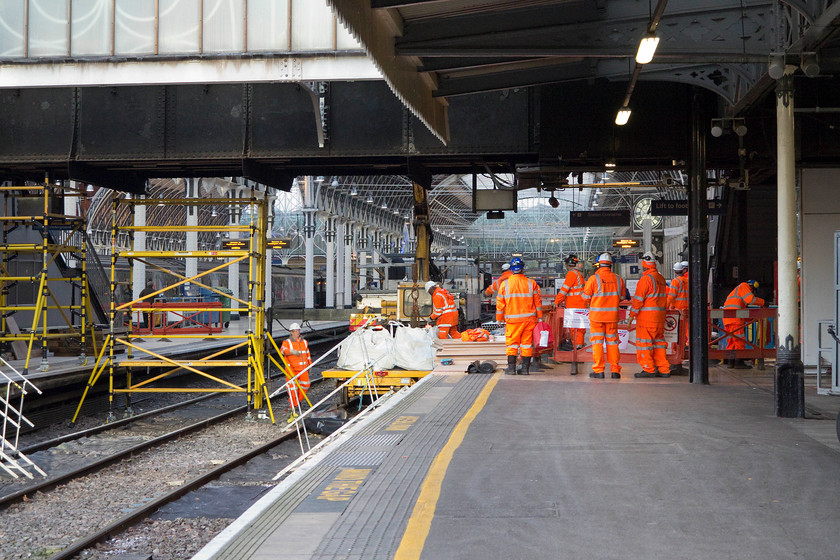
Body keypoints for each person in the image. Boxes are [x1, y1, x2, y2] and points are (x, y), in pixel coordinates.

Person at [582, 253, 626, 379]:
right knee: (612, 343)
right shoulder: (618, 279)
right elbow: (622, 297)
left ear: (598, 264)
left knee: (597, 343)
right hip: (612, 317)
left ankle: (599, 371)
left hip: (597, 317)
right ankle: (615, 371)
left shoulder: (593, 279)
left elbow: (585, 297)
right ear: (611, 264)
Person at [496, 256, 543, 375]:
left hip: (513, 321)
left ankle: (511, 369)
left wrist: (499, 319)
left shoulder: (505, 285)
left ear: (511, 270)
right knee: (526, 344)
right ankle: (525, 369)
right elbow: (538, 302)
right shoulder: (531, 283)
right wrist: (540, 317)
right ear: (523, 269)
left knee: (512, 344)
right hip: (529, 320)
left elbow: (500, 304)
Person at [628, 253, 671, 378]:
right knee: (659, 344)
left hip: (647, 319)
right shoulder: (661, 278)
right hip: (660, 318)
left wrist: (631, 316)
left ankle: (649, 369)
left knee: (644, 344)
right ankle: (664, 369)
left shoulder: (646, 280)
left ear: (644, 265)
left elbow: (638, 300)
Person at [722, 280, 766, 369]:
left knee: (731, 341)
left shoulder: (736, 293)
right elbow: (750, 299)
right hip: (735, 317)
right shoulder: (744, 286)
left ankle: (731, 362)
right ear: (752, 287)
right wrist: (764, 302)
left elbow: (741, 310)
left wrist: (752, 319)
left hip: (727, 318)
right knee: (739, 340)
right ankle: (739, 362)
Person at [280, 322, 312, 423]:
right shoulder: (287, 342)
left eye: (298, 331)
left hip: (303, 369)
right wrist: (291, 351)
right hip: (292, 370)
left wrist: (309, 365)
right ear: (291, 332)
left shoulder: (304, 342)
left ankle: (297, 402)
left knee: (306, 385)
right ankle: (293, 407)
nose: (298, 332)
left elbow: (307, 354)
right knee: (293, 389)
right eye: (296, 331)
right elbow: (282, 350)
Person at [554, 254, 587, 351]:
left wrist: (557, 301)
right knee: (579, 327)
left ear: (567, 265)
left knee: (575, 328)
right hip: (580, 304)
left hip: (574, 305)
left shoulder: (571, 274)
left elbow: (564, 290)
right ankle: (579, 347)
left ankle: (577, 349)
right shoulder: (579, 274)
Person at [667, 261, 689, 373]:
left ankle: (676, 359)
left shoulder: (676, 281)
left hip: (678, 312)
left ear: (675, 271)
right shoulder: (688, 281)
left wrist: (666, 306)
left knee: (675, 336)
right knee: (686, 334)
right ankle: (685, 355)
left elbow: (671, 296)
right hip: (687, 311)